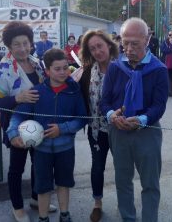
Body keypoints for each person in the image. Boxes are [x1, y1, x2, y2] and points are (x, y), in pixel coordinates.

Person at [7, 49, 87, 222]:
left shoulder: (74, 92)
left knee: (64, 183)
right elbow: (18, 115)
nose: (63, 72)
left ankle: (64, 214)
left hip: (65, 149)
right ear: (48, 71)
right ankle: (43, 218)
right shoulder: (37, 92)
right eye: (57, 69)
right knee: (42, 187)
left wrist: (63, 128)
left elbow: (82, 118)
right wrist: (13, 132)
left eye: (65, 67)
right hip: (41, 151)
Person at [101, 18, 169, 222]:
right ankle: (128, 218)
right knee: (122, 181)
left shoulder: (158, 70)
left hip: (147, 132)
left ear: (147, 40)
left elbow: (159, 106)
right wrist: (112, 115)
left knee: (150, 183)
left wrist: (141, 119)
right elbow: (105, 101)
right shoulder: (115, 67)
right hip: (119, 131)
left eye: (134, 43)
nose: (128, 48)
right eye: (125, 42)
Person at [0, 22, 56, 222]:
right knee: (16, 168)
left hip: (39, 124)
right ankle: (17, 207)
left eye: (25, 43)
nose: (22, 48)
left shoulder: (37, 62)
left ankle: (36, 198)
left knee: (39, 163)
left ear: (31, 43)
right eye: (16, 44)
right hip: (16, 128)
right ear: (9, 46)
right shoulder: (4, 69)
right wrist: (18, 98)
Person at [78, 30, 119, 222]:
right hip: (96, 130)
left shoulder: (123, 68)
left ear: (109, 45)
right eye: (92, 48)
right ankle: (97, 203)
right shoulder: (86, 72)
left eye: (100, 46)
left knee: (123, 168)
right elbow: (77, 98)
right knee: (97, 167)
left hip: (120, 129)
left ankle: (124, 201)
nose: (97, 51)